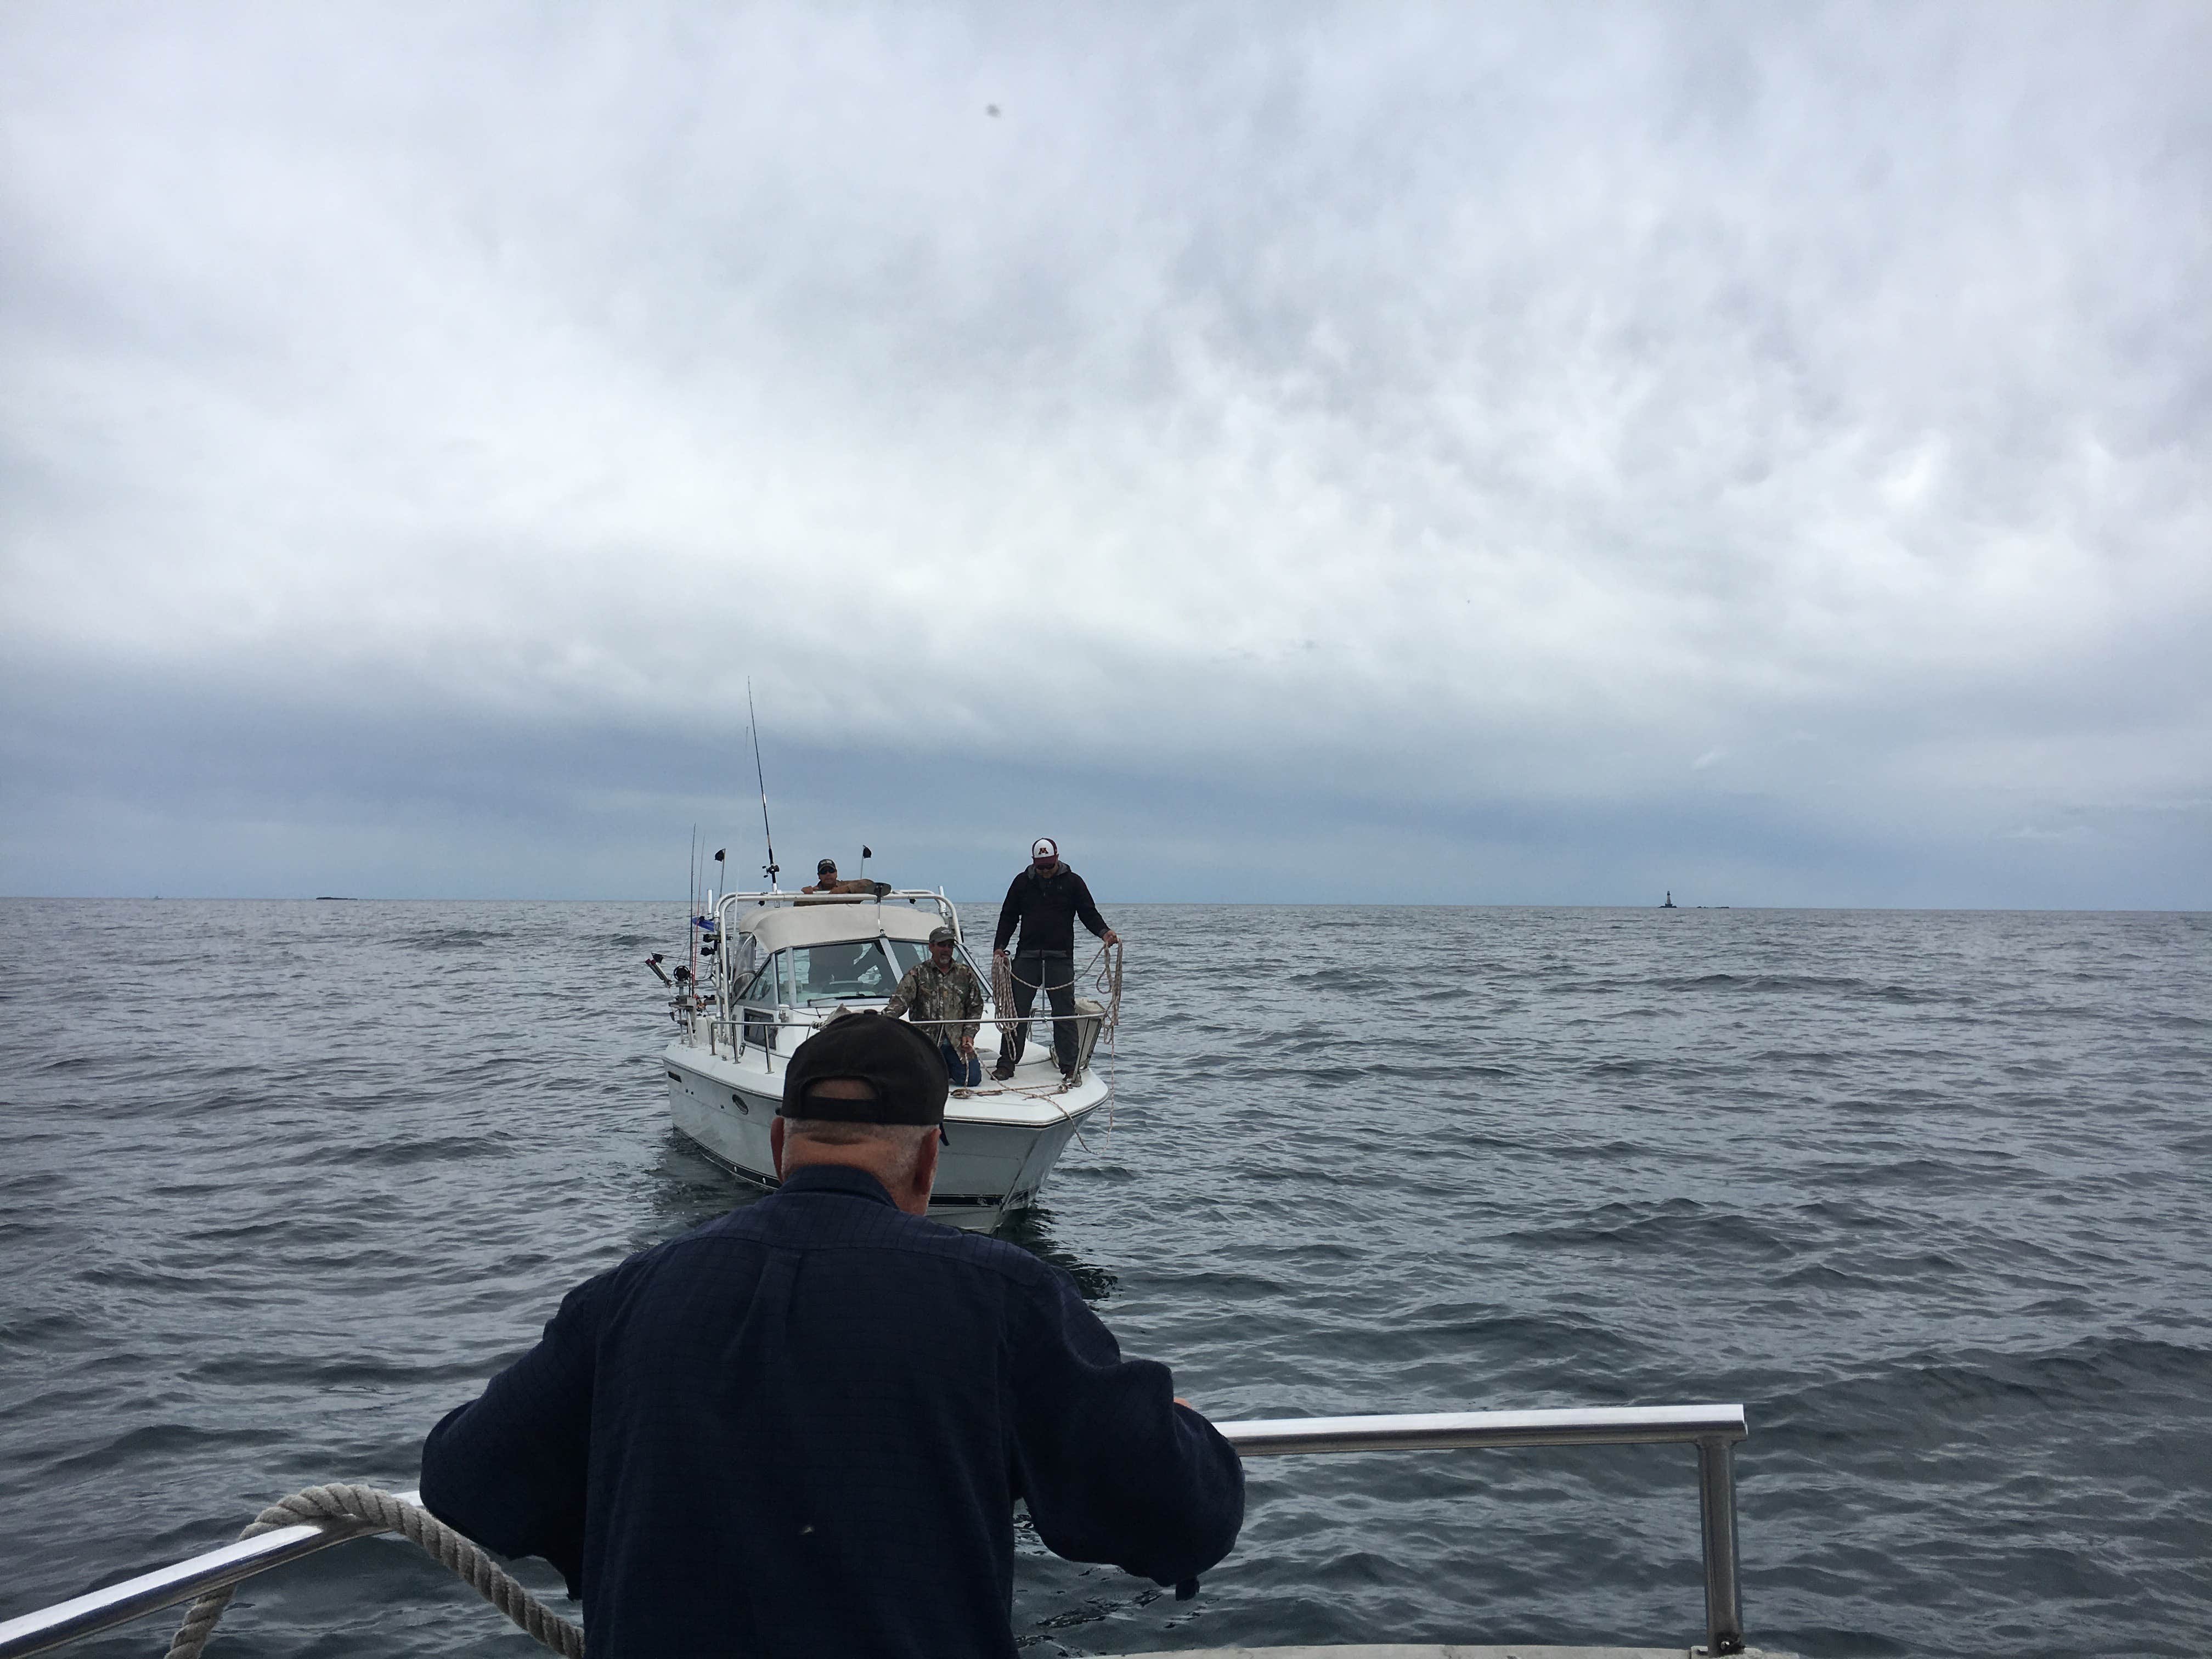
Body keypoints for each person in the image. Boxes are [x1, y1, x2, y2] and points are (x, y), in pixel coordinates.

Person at [417, 1014, 1242, 1656]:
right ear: (929, 1162)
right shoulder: (1004, 1299)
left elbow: (465, 1482)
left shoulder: (630, 1295)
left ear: (781, 1144)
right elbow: (1187, 1520)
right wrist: (1176, 1431)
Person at [992, 837, 1118, 1081]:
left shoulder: (1074, 882)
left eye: (1049, 866)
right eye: (1041, 867)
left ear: (1057, 859)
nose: (1046, 871)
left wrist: (1104, 932)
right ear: (1034, 863)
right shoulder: (1021, 883)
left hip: (1060, 959)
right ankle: (1006, 1064)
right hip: (1026, 957)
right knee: (1015, 1013)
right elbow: (1008, 916)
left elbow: (1088, 913)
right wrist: (999, 947)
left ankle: (1070, 1067)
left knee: (1064, 1013)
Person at [883, 923, 986, 1088]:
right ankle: (937, 1068)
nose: (946, 950)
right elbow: (899, 1003)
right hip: (926, 1043)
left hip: (957, 1042)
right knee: (921, 1083)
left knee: (973, 1079)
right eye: (941, 945)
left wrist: (970, 1033)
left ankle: (944, 1068)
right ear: (931, 947)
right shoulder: (917, 973)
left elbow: (976, 1006)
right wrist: (883, 1024)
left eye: (950, 946)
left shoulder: (965, 974)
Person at [805, 855, 887, 895]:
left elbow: (870, 884)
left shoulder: (847, 886)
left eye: (831, 871)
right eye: (824, 872)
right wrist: (805, 897)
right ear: (819, 876)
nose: (828, 874)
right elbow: (798, 908)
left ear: (836, 873)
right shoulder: (815, 893)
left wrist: (845, 889)